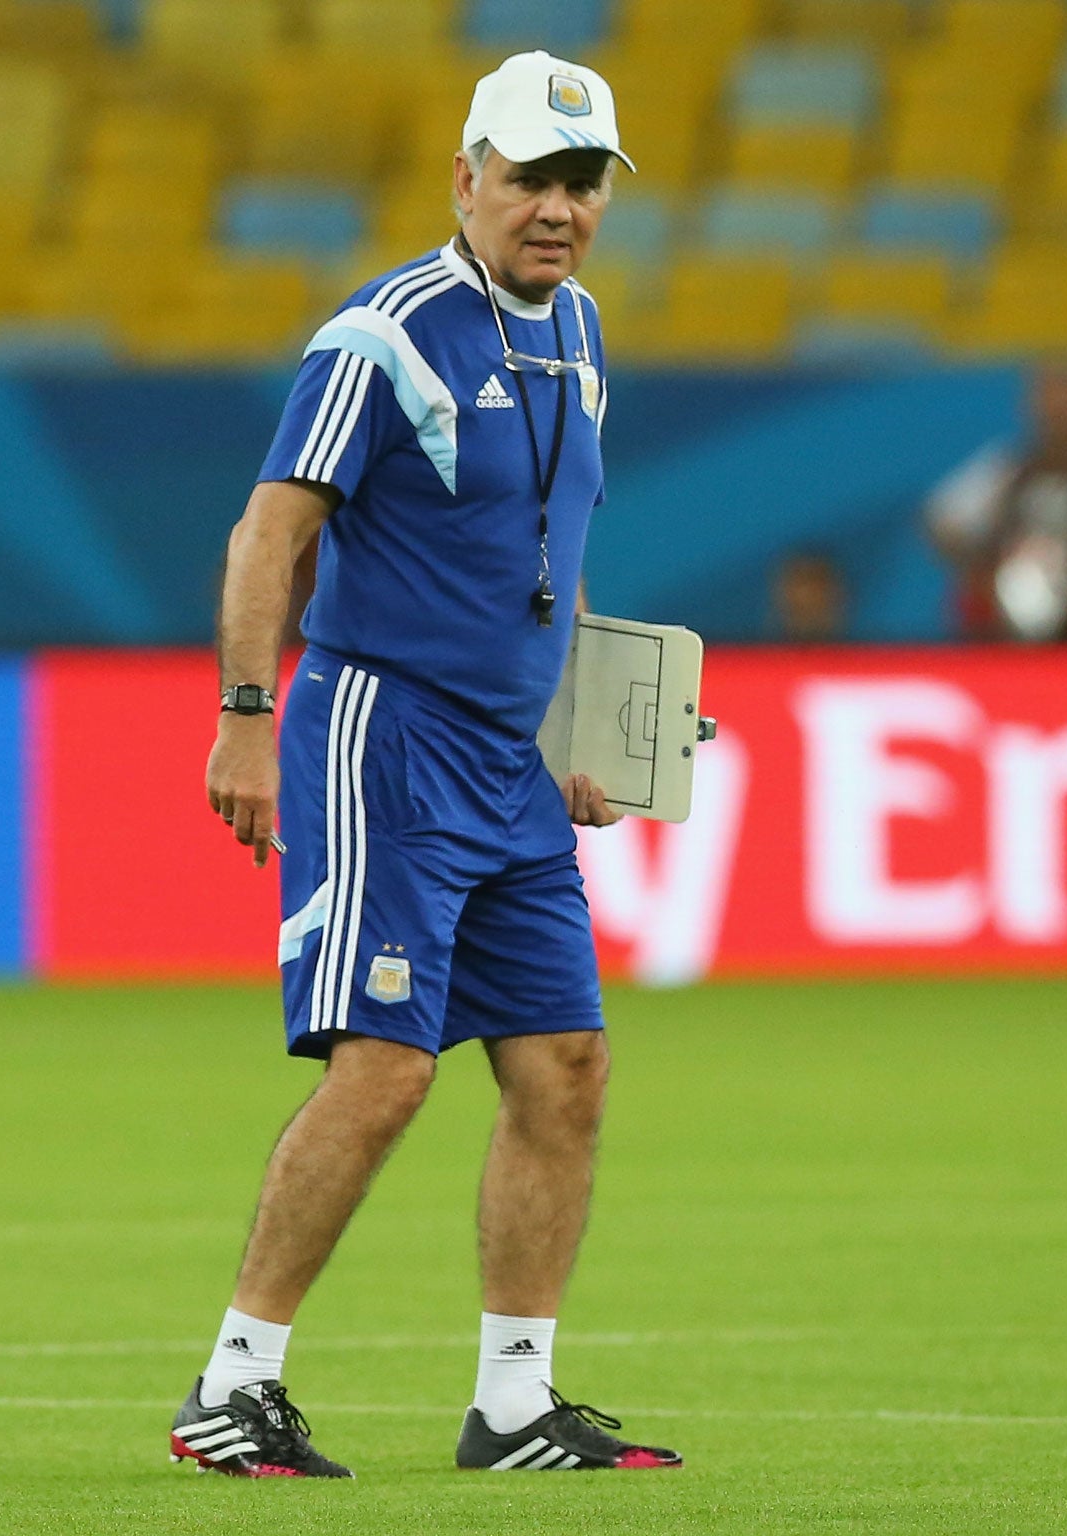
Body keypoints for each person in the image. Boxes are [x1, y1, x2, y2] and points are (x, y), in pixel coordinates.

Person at [169, 52, 681, 1477]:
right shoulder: (383, 333)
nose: (559, 209)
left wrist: (573, 729)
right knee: (386, 1070)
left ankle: (515, 1401)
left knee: (567, 1066)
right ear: (467, 177)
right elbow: (271, 532)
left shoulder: (576, 329)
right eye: (530, 177)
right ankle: (235, 1387)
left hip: (505, 764)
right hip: (382, 734)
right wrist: (247, 714)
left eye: (582, 183)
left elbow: (549, 561)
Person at [924, 362, 1067, 641]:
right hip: (1025, 629)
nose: (1061, 410)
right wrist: (985, 569)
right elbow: (943, 521)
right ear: (1033, 406)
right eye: (1051, 399)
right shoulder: (1008, 470)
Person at [773, 549, 848, 642]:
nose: (809, 597)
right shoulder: (762, 651)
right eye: (801, 582)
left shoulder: (861, 652)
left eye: (818, 587)